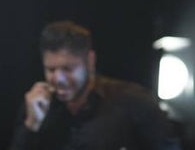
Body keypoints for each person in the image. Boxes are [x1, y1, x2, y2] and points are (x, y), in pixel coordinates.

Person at [9, 20, 180, 150]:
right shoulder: (36, 104)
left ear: (90, 61)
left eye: (67, 69)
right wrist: (31, 124)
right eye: (51, 69)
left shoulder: (134, 100)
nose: (58, 78)